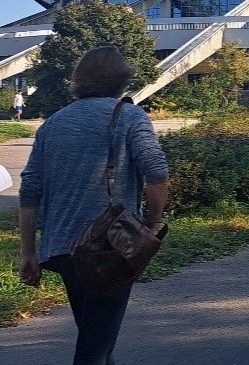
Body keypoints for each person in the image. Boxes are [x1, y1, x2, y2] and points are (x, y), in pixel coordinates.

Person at [18, 46, 169, 365]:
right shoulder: (129, 115)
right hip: (109, 248)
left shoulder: (53, 123)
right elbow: (156, 171)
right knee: (94, 347)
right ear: (122, 80)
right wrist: (153, 222)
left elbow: (30, 191)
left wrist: (28, 253)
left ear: (78, 81)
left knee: (98, 337)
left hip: (62, 249)